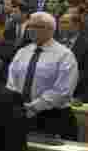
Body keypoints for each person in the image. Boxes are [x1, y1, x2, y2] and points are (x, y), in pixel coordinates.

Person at [6, 12, 79, 140]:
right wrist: (17, 103)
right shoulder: (22, 52)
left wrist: (34, 107)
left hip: (52, 116)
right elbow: (12, 82)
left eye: (36, 27)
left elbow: (63, 91)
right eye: (29, 26)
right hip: (22, 114)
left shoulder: (64, 55)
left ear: (50, 29)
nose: (31, 30)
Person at [58, 13, 88, 103]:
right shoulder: (56, 45)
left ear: (76, 25)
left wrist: (64, 89)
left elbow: (87, 74)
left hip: (81, 93)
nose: (60, 26)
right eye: (59, 23)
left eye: (64, 23)